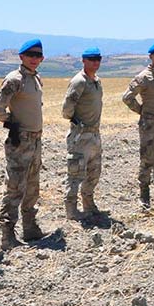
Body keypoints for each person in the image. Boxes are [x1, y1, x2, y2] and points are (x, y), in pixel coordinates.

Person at [0, 38, 47, 249]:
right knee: (15, 186)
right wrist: (12, 123)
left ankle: (30, 227)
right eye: (30, 55)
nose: (34, 59)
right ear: (21, 57)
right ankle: (7, 233)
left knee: (32, 184)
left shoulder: (35, 78)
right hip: (20, 140)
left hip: (35, 138)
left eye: (38, 56)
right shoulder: (14, 79)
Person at [123, 42, 154, 208]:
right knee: (147, 159)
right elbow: (127, 97)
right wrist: (142, 112)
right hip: (150, 124)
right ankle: (144, 195)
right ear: (150, 56)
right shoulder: (144, 77)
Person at [61, 47, 105, 219]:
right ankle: (71, 209)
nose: (95, 62)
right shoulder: (79, 81)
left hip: (94, 134)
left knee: (94, 172)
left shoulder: (96, 81)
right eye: (92, 59)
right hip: (81, 135)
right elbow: (66, 109)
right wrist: (76, 122)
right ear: (84, 60)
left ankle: (88, 204)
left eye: (98, 59)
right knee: (75, 173)